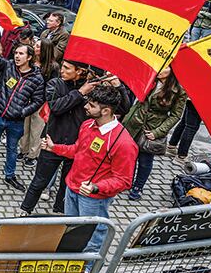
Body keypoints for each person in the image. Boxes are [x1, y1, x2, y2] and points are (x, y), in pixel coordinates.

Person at [43, 85, 137, 251]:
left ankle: (89, 270)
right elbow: (77, 150)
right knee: (72, 230)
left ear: (106, 111)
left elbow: (124, 180)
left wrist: (96, 187)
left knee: (93, 235)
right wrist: (55, 148)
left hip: (93, 198)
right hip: (72, 188)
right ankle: (72, 260)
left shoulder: (124, 143)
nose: (85, 106)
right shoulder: (87, 125)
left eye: (92, 105)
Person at [20, 60, 92, 215]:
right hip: (51, 143)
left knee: (66, 184)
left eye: (67, 68)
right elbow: (56, 107)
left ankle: (59, 212)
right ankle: (25, 210)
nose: (62, 71)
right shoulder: (54, 84)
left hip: (75, 146)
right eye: (62, 67)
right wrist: (79, 93)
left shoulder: (90, 87)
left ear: (79, 71)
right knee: (39, 181)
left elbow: (117, 108)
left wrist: (117, 86)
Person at [0, 39, 44, 193]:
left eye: (21, 54)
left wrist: (23, 112)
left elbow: (38, 100)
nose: (17, 56)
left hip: (16, 121)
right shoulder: (8, 66)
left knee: (12, 149)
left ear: (29, 57)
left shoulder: (37, 78)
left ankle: (10, 176)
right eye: (16, 53)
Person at [123, 68, 186, 200]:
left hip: (152, 127)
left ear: (172, 70)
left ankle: (138, 187)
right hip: (135, 123)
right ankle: (127, 181)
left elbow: (175, 116)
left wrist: (158, 132)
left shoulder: (178, 90)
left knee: (145, 160)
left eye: (166, 67)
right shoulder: (149, 78)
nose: (161, 70)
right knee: (130, 156)